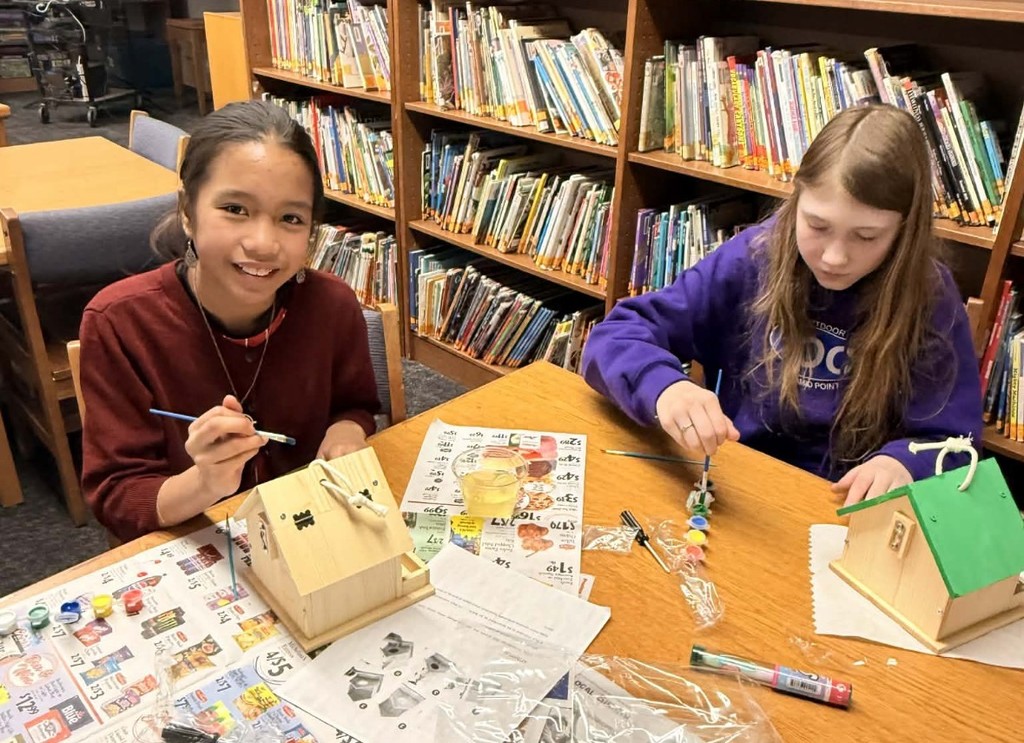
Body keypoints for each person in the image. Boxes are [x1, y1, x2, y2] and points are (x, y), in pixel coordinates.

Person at [582, 104, 982, 505]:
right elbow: (614, 336)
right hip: (742, 489)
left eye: (866, 236)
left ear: (904, 231)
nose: (834, 257)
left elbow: (954, 444)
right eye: (817, 226)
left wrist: (903, 465)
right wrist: (665, 387)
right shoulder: (755, 256)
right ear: (797, 198)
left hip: (848, 509)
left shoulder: (929, 297)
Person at [80, 100, 380, 541]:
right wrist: (205, 482)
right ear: (188, 211)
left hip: (309, 530)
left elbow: (355, 405)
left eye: (291, 218)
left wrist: (347, 431)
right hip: (197, 541)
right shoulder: (119, 322)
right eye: (235, 209)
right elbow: (118, 494)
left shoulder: (331, 304)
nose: (262, 243)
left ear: (312, 233)